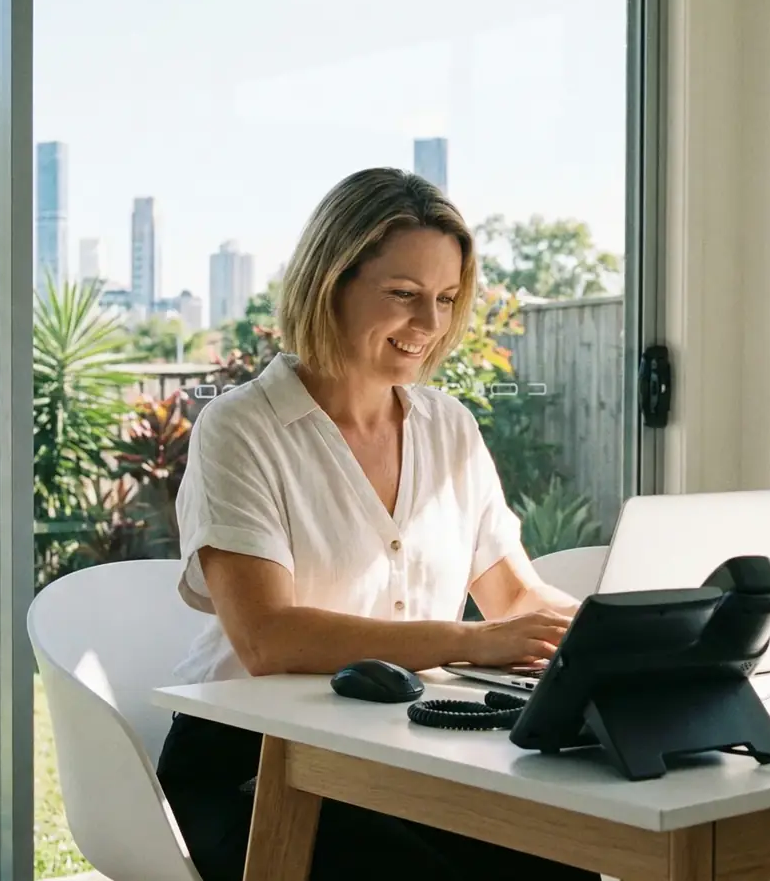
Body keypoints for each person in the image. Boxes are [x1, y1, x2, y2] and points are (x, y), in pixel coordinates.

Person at [156, 167, 598, 881]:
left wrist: (627, 637)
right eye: (403, 296)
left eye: (447, 299)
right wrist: (471, 641)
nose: (430, 325)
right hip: (252, 762)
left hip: (405, 753)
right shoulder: (241, 428)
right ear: (330, 282)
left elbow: (514, 598)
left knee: (561, 864)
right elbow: (268, 638)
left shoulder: (449, 427)